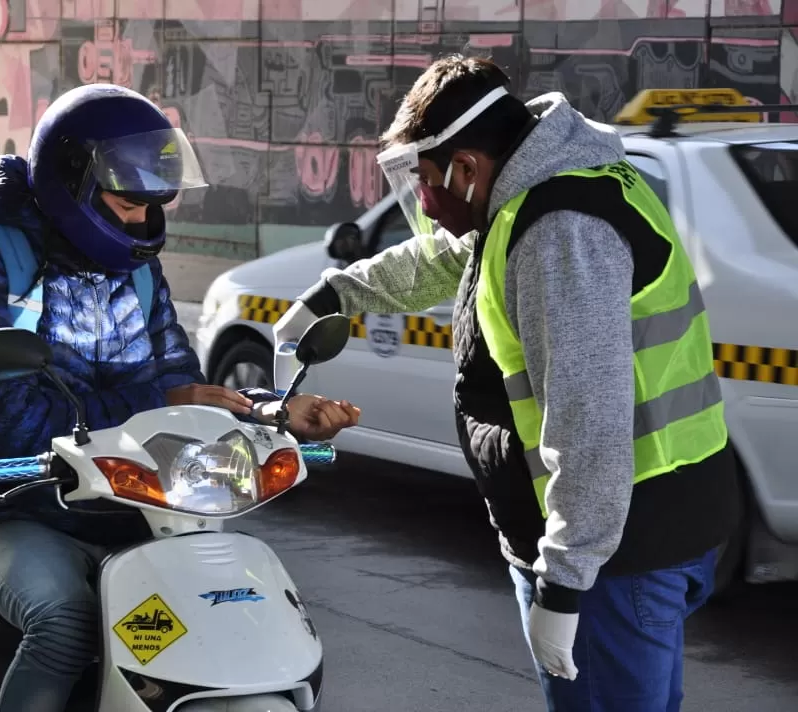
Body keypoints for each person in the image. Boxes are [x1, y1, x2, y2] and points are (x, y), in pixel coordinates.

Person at [274, 55, 739, 711]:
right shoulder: (530, 195)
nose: (424, 203)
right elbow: (444, 254)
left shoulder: (560, 233)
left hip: (617, 551)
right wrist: (340, 290)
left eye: (426, 182)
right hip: (637, 528)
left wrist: (565, 583)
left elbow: (590, 423)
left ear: (466, 167)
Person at [0, 83, 360, 712]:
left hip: (135, 499)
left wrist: (273, 412)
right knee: (65, 623)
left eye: (154, 205)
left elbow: (180, 389)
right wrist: (155, 398)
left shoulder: (138, 271)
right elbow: (2, 420)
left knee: (236, 619)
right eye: (128, 204)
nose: (144, 221)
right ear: (70, 184)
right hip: (13, 502)